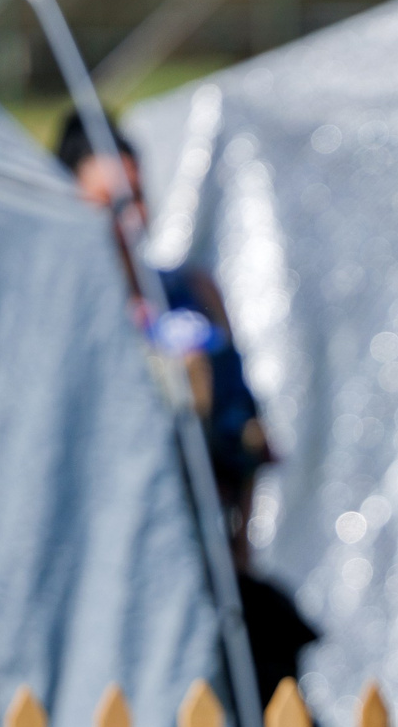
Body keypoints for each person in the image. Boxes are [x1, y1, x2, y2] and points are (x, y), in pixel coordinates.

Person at [54, 110, 273, 533]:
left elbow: (249, 427)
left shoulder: (192, 292)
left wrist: (240, 539)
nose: (131, 219)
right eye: (111, 205)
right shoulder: (66, 322)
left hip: (207, 532)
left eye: (136, 196)